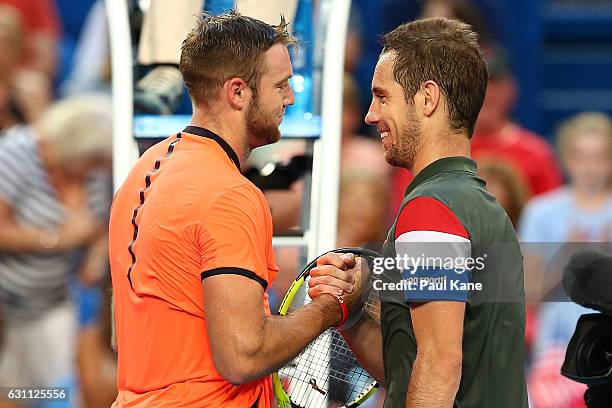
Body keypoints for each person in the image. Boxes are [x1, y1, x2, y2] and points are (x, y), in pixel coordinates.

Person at [109, 12, 360, 408]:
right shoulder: (230, 196)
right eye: (281, 86)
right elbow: (243, 357)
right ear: (238, 92)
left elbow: (121, 333)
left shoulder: (143, 174)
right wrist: (331, 309)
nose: (290, 98)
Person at [309, 17, 527, 407]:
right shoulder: (479, 205)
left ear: (427, 99)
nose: (370, 115)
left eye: (382, 96)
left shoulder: (431, 211)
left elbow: (440, 368)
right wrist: (354, 311)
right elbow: (406, 374)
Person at [0, 94, 113, 390]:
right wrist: (56, 239)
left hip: (67, 298)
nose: (97, 168)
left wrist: (96, 256)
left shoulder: (91, 170)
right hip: (16, 302)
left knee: (54, 387)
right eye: (94, 161)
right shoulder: (16, 153)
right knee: (29, 390)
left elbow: (99, 226)